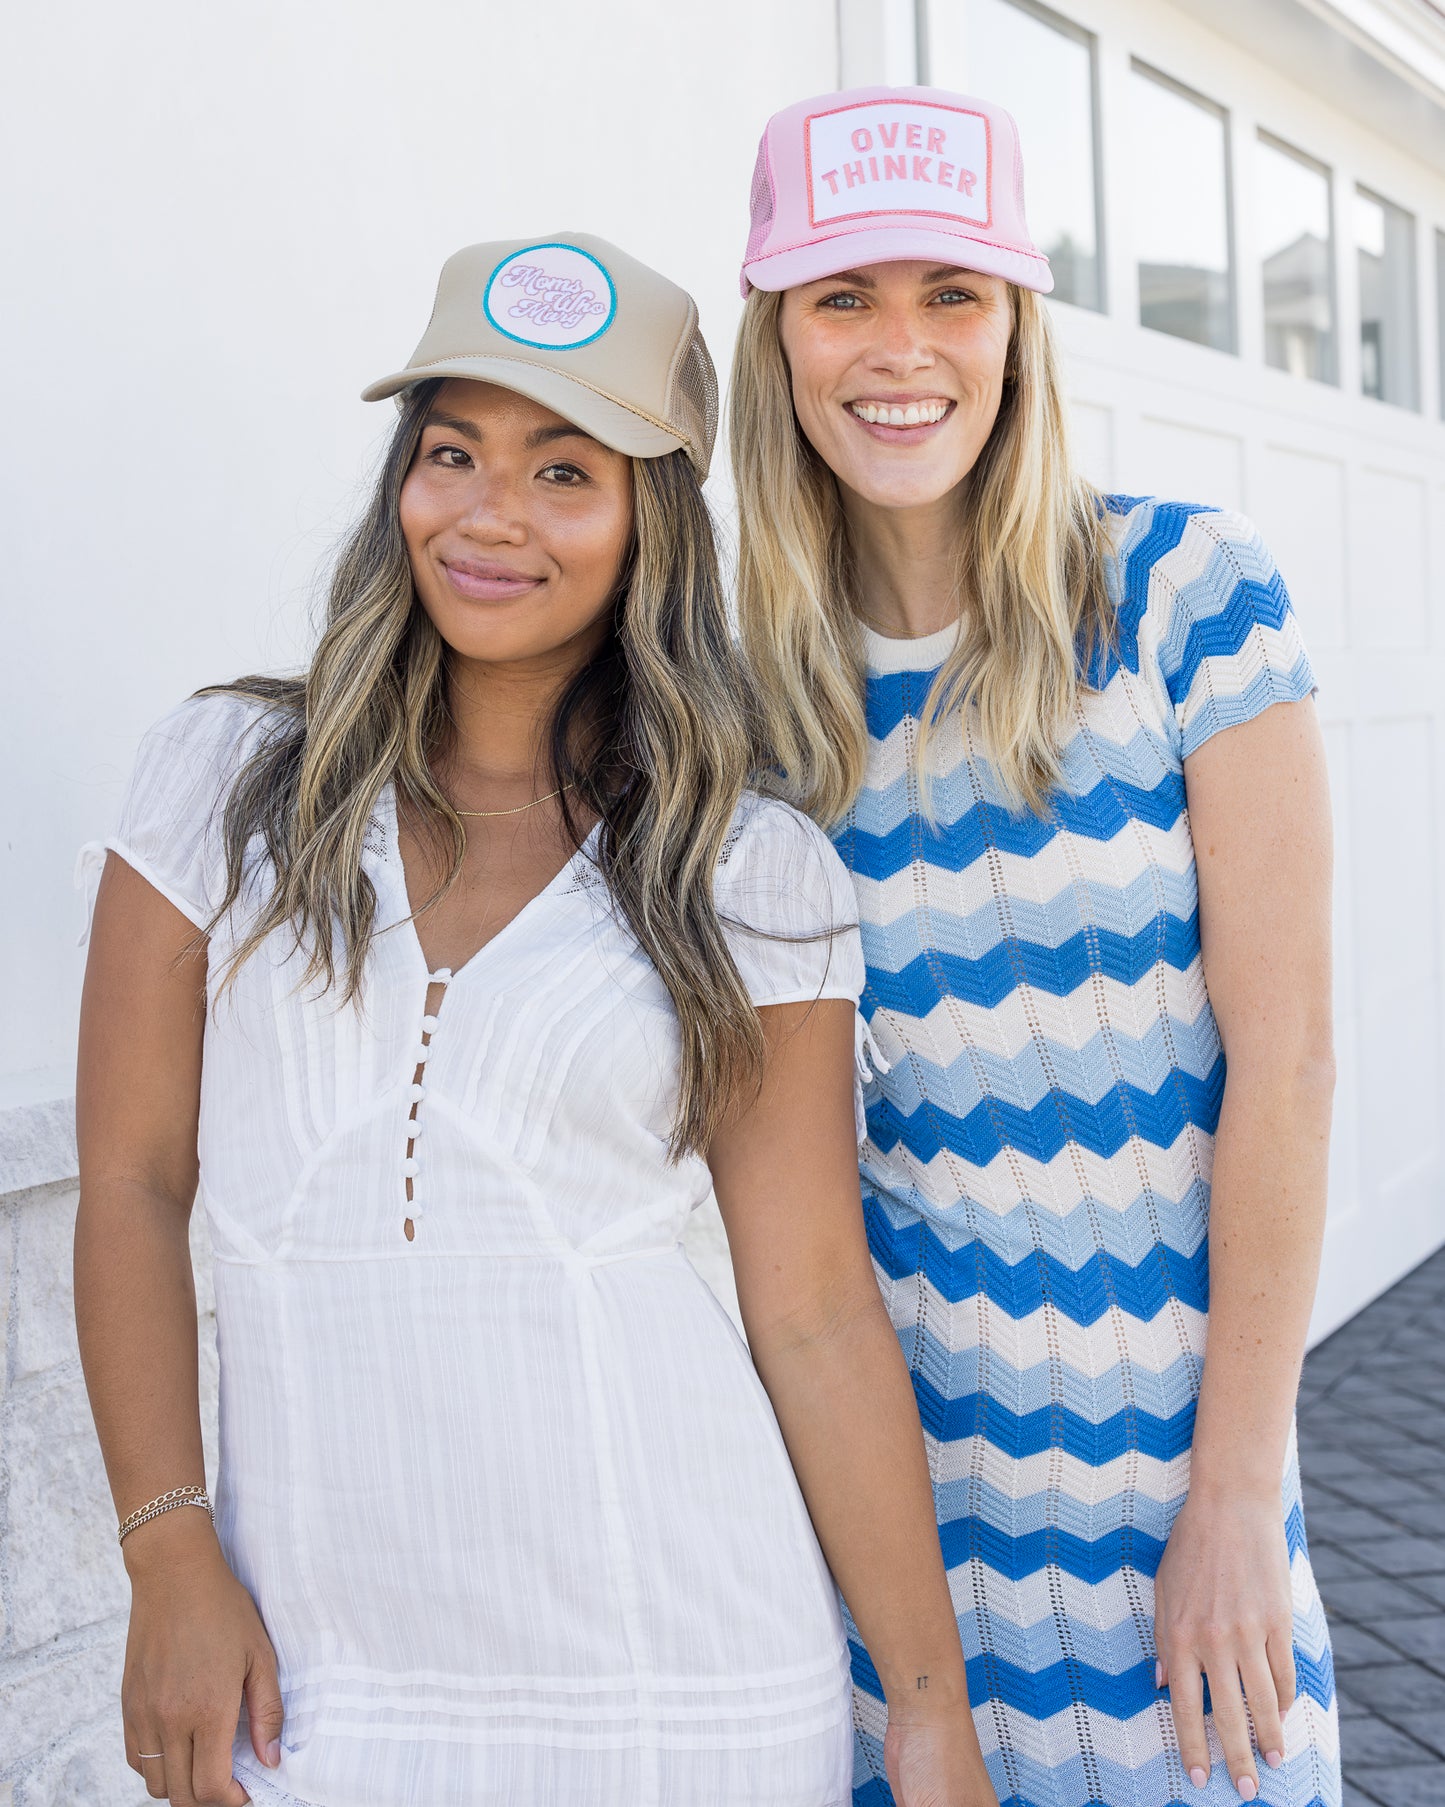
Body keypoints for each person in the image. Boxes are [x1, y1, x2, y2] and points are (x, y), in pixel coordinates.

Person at [74, 234, 997, 1807]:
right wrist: (167, 1556)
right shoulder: (219, 786)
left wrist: (924, 1712)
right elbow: (135, 1188)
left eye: (566, 471)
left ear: (653, 523)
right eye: (452, 453)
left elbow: (814, 1313)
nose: (490, 515)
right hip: (313, 1685)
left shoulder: (750, 872)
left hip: (680, 1690)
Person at [728, 87, 1340, 1807]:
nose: (897, 348)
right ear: (776, 340)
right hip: (900, 1529)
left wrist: (1236, 1486)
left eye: (951, 292)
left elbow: (1282, 1068)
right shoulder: (750, 706)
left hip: (1183, 1507)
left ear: (1016, 326)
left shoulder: (1179, 596)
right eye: (840, 296)